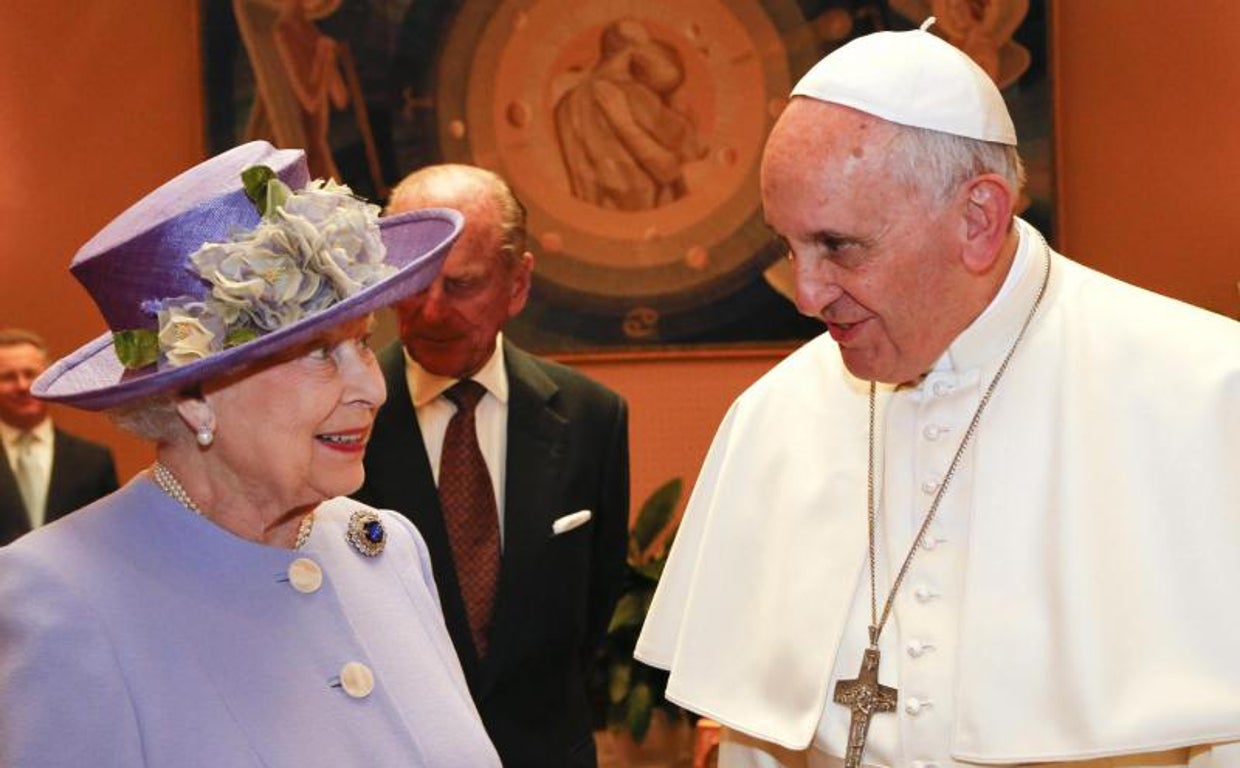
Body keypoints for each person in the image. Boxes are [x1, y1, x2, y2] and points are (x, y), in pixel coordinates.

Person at [635, 20, 1240, 768]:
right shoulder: (775, 416)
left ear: (979, 219)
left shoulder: (1204, 394)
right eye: (786, 246)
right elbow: (754, 741)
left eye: (838, 245)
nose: (806, 294)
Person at [0, 141, 501, 766]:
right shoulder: (61, 595)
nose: (374, 389)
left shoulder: (388, 547)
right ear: (194, 395)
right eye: (321, 353)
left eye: (365, 343)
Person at [355, 163, 630, 767]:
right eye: (412, 280)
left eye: (460, 285)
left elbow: (591, 612)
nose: (428, 310)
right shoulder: (342, 421)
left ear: (518, 283)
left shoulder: (592, 419)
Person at [0, 328, 118, 545]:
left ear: (48, 378)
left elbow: (109, 539)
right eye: (8, 377)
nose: (22, 386)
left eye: (30, 374)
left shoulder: (94, 461)